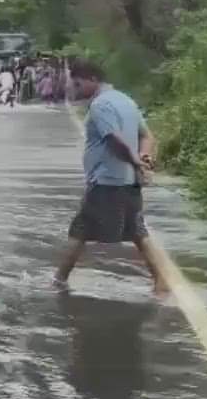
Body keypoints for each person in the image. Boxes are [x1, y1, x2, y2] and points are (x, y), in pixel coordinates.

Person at [55, 60, 166, 294]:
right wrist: (143, 158)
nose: (76, 89)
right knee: (137, 231)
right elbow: (147, 136)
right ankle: (161, 280)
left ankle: (59, 280)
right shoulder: (125, 100)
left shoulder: (100, 105)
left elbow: (114, 140)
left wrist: (136, 160)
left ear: (93, 79)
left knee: (80, 229)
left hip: (107, 181)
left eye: (78, 83)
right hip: (128, 180)